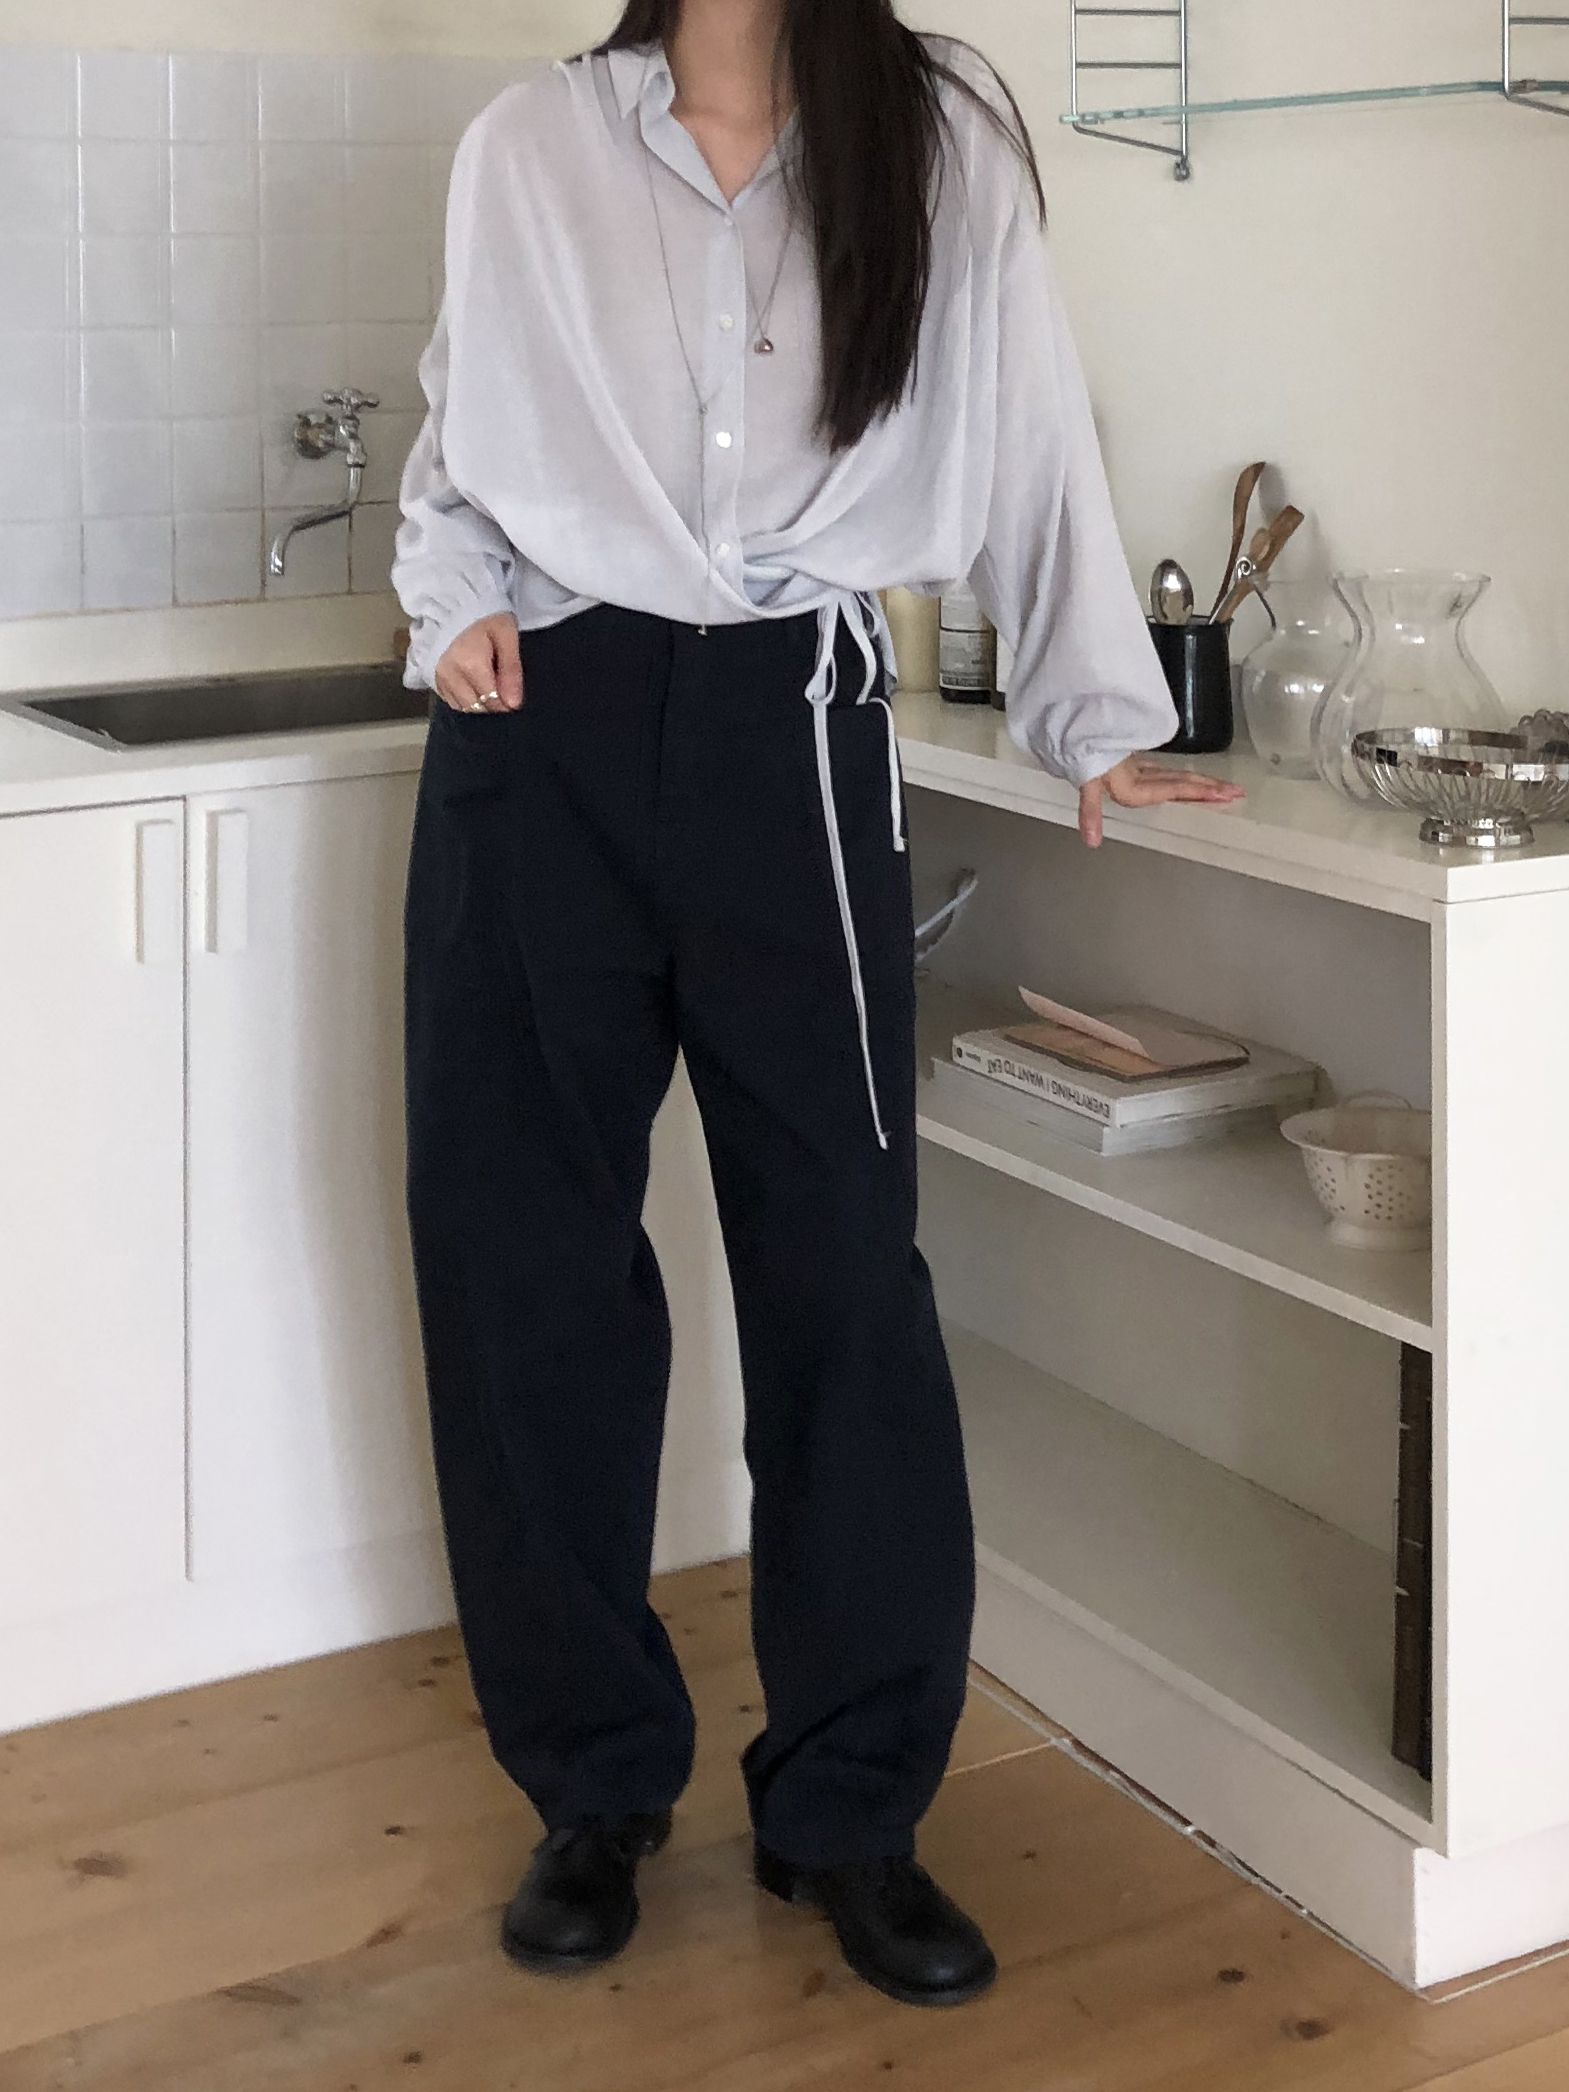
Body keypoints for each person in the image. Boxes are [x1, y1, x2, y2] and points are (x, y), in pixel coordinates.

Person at [391, 0, 1243, 2013]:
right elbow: (460, 433)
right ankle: (592, 1784)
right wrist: (451, 603)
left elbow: (1028, 416)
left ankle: (850, 1807)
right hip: (542, 727)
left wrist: (1092, 712)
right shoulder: (530, 146)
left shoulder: (937, 131)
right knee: (526, 1272)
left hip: (794, 724)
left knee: (843, 1276)